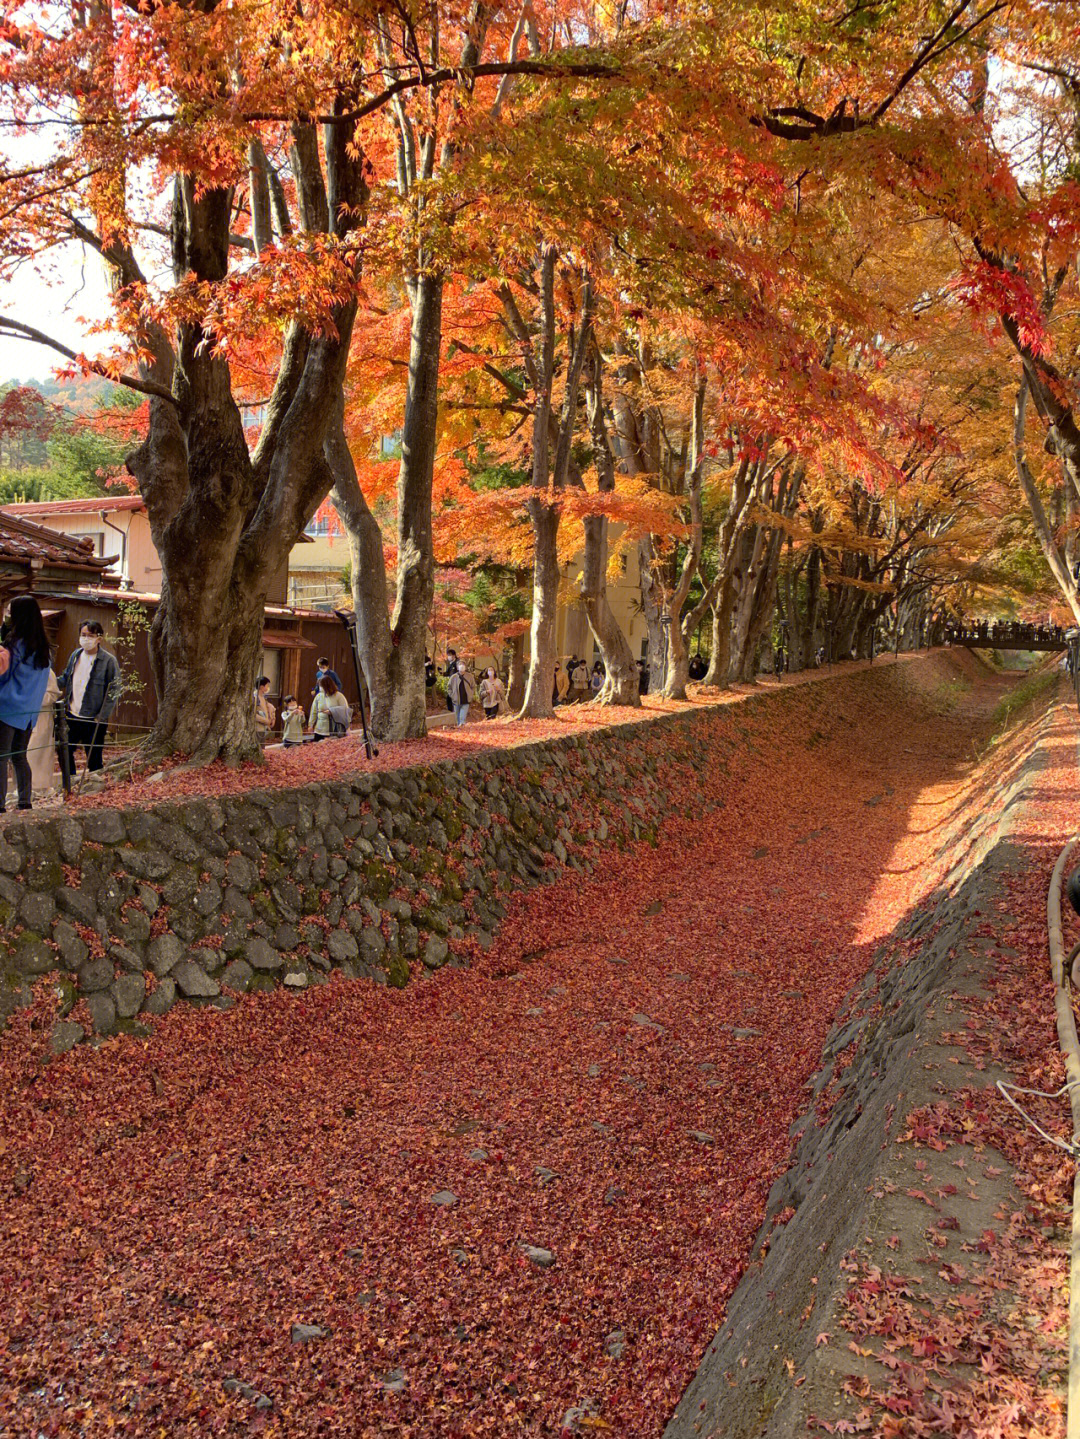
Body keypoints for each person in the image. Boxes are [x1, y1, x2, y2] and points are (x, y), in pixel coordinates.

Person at [0, 596, 53, 812]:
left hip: (6, 707)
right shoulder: (44, 647)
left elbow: (3, 675)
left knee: (2, 756)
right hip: (30, 711)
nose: (8, 615)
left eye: (11, 611)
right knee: (19, 756)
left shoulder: (15, 643)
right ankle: (25, 801)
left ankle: (0, 805)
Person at [58, 619, 121, 781]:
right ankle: (69, 783)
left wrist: (101, 716)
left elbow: (114, 690)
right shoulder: (75, 655)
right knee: (63, 751)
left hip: (94, 719)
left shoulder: (108, 661)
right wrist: (47, 680)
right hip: (71, 715)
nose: (86, 639)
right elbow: (65, 678)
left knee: (94, 760)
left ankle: (95, 791)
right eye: (83, 635)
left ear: (99, 638)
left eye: (90, 635)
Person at [309, 674, 351, 739]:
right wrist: (310, 725)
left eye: (321, 686)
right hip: (320, 728)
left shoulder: (339, 696)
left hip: (334, 728)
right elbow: (313, 711)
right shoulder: (319, 696)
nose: (320, 687)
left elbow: (345, 710)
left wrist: (332, 711)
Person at [447, 661, 475, 726]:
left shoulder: (470, 676)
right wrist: (452, 695)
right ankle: (459, 728)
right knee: (457, 717)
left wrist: (471, 694)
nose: (461, 666)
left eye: (463, 664)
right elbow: (449, 687)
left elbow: (473, 687)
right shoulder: (453, 677)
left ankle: (462, 725)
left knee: (462, 717)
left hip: (466, 699)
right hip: (456, 700)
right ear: (457, 667)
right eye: (460, 664)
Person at [254, 675, 276, 740]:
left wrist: (272, 718)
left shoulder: (263, 697)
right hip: (257, 728)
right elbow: (253, 714)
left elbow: (270, 709)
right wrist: (266, 721)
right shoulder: (255, 697)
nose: (268, 687)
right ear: (261, 687)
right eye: (267, 685)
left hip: (263, 728)